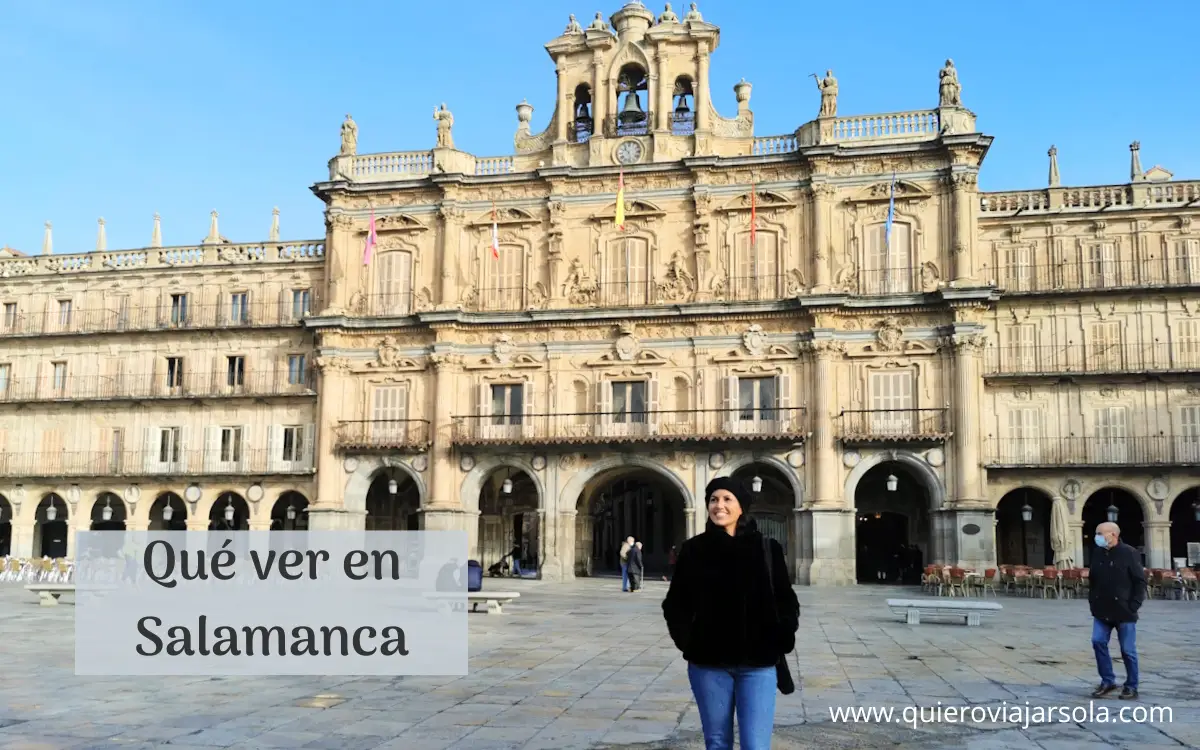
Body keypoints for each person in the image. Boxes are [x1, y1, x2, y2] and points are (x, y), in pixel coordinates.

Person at [662, 477, 800, 750]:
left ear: (741, 507)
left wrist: (781, 638)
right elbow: (675, 605)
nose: (719, 505)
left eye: (727, 499)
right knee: (717, 742)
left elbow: (787, 601)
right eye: (713, 499)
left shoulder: (767, 549)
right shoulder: (694, 550)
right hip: (709, 665)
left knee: (756, 745)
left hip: (758, 664)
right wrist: (689, 642)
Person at [1089, 521, 1146, 700]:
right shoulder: (1098, 552)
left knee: (1127, 649)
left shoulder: (1129, 552)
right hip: (1101, 609)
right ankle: (1107, 680)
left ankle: (1131, 685)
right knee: (1098, 641)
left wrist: (1134, 604)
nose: (1097, 536)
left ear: (1113, 534)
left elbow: (1140, 581)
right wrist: (1093, 601)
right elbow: (1093, 579)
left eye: (1100, 533)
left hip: (1124, 610)